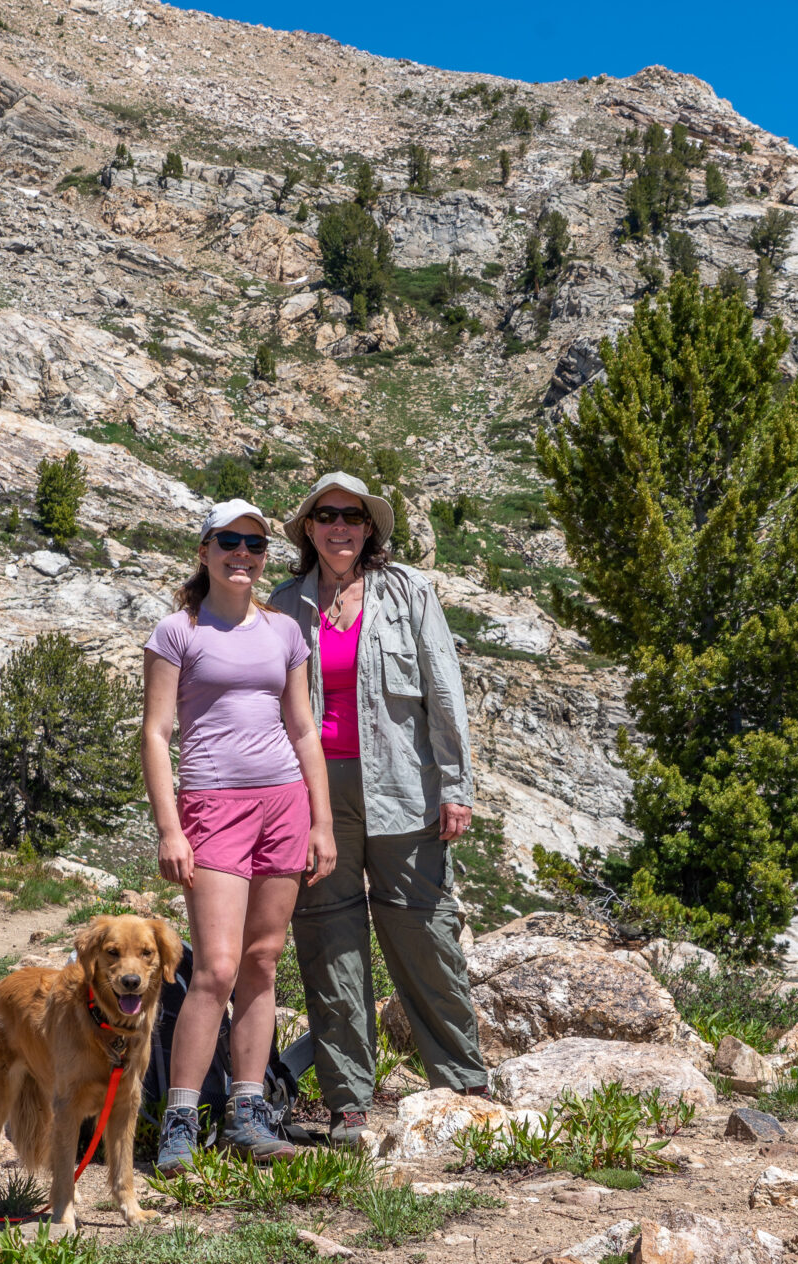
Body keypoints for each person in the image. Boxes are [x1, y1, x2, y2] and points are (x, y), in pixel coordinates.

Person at [269, 472, 483, 1147]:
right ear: (309, 528)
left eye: (353, 518)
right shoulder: (284, 605)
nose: (340, 527)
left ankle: (463, 1081)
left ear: (370, 530)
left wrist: (457, 785)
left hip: (405, 788)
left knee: (424, 933)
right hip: (314, 795)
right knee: (329, 941)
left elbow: (444, 693)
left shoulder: (410, 592)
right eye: (327, 515)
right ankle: (348, 1101)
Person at [142, 499, 336, 1174]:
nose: (243, 555)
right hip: (212, 805)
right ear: (204, 550)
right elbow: (157, 733)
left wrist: (322, 820)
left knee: (261, 961)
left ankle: (247, 1113)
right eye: (230, 542)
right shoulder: (178, 631)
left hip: (282, 803)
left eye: (254, 545)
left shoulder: (283, 632)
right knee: (216, 968)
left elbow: (304, 728)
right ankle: (181, 1117)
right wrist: (170, 827)